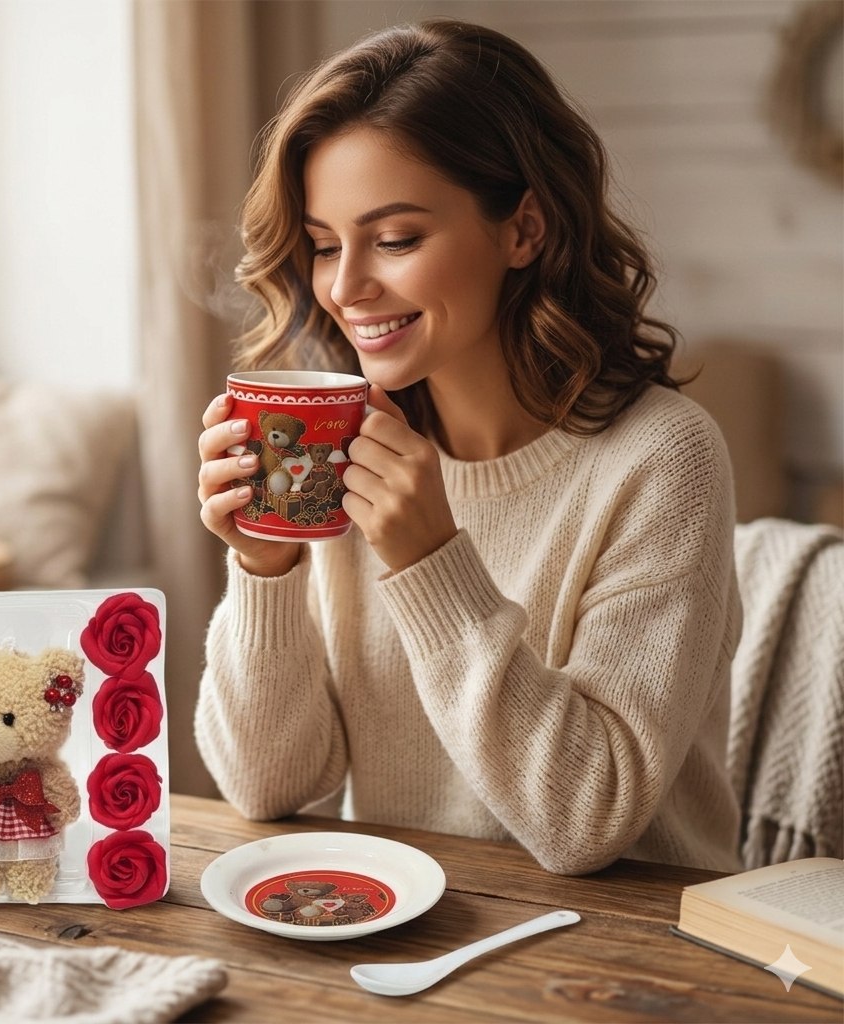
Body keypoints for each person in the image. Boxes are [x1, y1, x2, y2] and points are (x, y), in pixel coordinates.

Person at [194, 18, 742, 875]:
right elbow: (270, 788)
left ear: (524, 229)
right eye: (326, 245)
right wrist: (266, 571)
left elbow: (586, 820)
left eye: (397, 239)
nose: (345, 288)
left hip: (633, 955)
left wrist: (431, 562)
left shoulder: (662, 460)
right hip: (406, 928)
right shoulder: (346, 450)